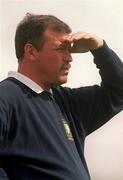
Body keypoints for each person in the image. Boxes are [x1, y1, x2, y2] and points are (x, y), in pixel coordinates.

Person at [0, 13, 123, 180]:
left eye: (69, 50)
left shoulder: (67, 102)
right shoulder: (5, 97)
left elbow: (118, 91)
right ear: (31, 52)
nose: (69, 58)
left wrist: (100, 48)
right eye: (60, 49)